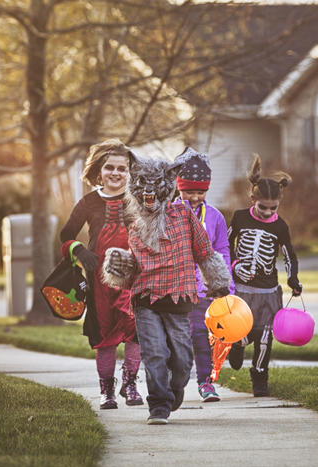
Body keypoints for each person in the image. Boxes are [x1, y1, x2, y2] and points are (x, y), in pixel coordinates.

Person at [101, 151, 232, 425]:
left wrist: (219, 283)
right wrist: (119, 265)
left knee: (183, 361)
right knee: (155, 353)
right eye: (143, 189)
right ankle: (158, 406)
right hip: (146, 300)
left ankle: (174, 390)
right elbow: (134, 266)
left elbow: (204, 251)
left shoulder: (183, 215)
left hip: (179, 298)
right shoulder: (135, 224)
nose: (149, 195)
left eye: (154, 188)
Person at [59, 138, 143, 410]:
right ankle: (106, 390)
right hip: (99, 280)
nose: (116, 173)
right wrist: (79, 251)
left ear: (130, 172)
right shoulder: (88, 202)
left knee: (135, 331)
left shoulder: (138, 199)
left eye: (122, 168)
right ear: (99, 170)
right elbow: (65, 235)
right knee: (103, 334)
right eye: (110, 168)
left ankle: (130, 384)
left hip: (133, 277)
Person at [227, 154, 302, 397]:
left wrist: (293, 280)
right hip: (242, 289)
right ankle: (236, 345)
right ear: (252, 199)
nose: (268, 212)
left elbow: (289, 254)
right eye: (263, 207)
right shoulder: (239, 217)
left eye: (273, 208)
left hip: (268, 291)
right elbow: (225, 246)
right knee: (243, 330)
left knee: (265, 336)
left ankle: (259, 376)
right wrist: (234, 266)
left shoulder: (280, 226)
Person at [173, 148, 234, 403]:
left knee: (201, 337)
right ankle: (173, 384)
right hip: (174, 289)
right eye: (189, 191)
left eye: (200, 191)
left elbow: (222, 251)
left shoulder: (216, 217)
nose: (195, 197)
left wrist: (224, 285)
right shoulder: (169, 212)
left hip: (203, 291)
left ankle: (205, 383)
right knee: (176, 341)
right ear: (178, 188)